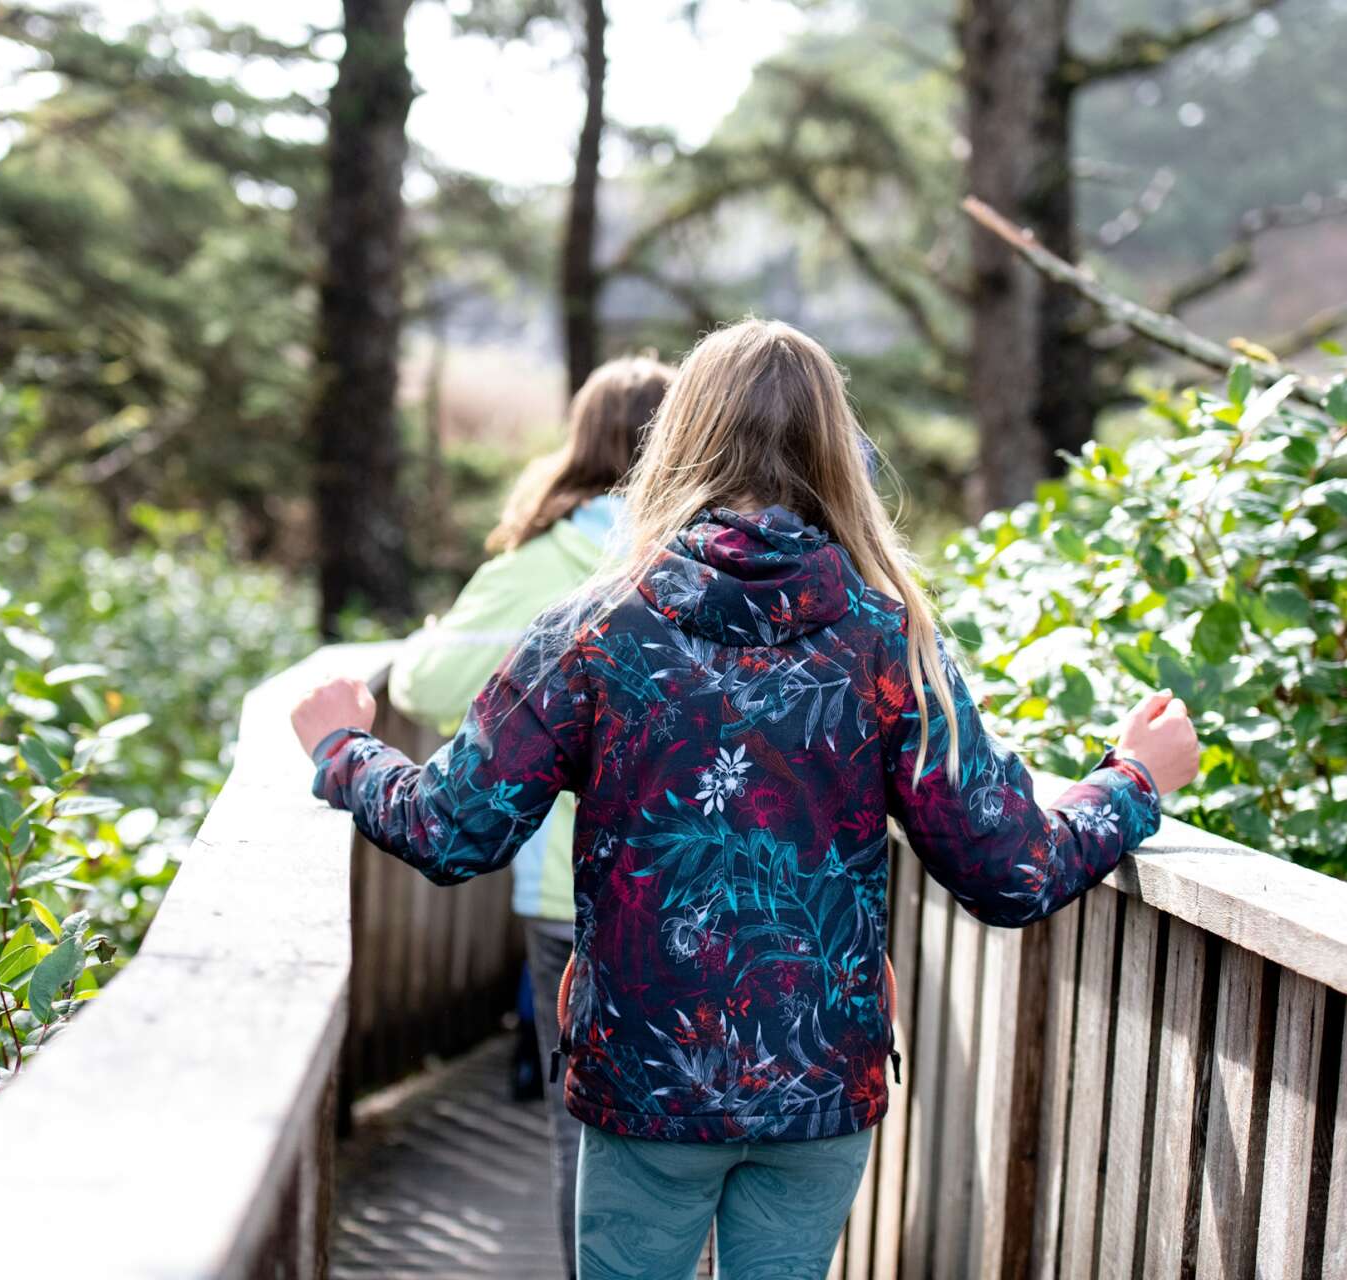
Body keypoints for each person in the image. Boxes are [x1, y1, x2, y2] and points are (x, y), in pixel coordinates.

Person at [291, 318, 1199, 1280]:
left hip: (644, 1073)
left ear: (678, 438)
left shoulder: (595, 631)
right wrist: (1131, 781)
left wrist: (344, 748)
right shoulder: (891, 639)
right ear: (832, 449)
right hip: (819, 1080)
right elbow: (1011, 870)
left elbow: (451, 826)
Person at [386, 354, 675, 1278]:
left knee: (582, 1135)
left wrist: (441, 652)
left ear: (582, 435)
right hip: (709, 889)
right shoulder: (711, 552)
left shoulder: (549, 560)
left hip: (568, 888)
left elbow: (426, 684)